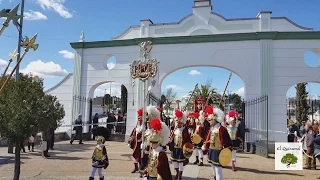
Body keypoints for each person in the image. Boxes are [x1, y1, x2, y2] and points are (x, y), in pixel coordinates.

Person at [202, 106, 232, 180]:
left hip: (218, 152)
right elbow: (211, 140)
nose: (209, 122)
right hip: (212, 151)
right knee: (213, 169)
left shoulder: (222, 129)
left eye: (210, 120)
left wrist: (224, 151)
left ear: (215, 120)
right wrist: (206, 144)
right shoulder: (212, 129)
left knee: (218, 170)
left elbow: (227, 142)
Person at [168, 109, 192, 180]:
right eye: (177, 123)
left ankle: (179, 176)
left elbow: (188, 140)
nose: (178, 124)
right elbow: (170, 140)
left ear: (182, 123)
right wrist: (171, 139)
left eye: (179, 123)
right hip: (175, 148)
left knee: (181, 163)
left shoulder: (185, 130)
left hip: (181, 149)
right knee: (174, 163)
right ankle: (177, 172)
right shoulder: (174, 130)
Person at [139, 105, 161, 177]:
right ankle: (144, 173)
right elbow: (144, 138)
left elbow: (159, 140)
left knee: (151, 163)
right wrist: (142, 143)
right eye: (148, 123)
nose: (148, 124)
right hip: (145, 149)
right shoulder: (146, 131)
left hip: (152, 150)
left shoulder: (156, 132)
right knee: (144, 161)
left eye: (150, 123)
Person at [128, 108, 145, 173]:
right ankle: (136, 168)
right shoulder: (136, 127)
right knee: (135, 155)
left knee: (141, 157)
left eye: (140, 119)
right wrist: (130, 141)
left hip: (141, 144)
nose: (139, 121)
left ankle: (141, 169)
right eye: (138, 119)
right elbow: (133, 134)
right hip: (136, 144)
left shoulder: (144, 127)